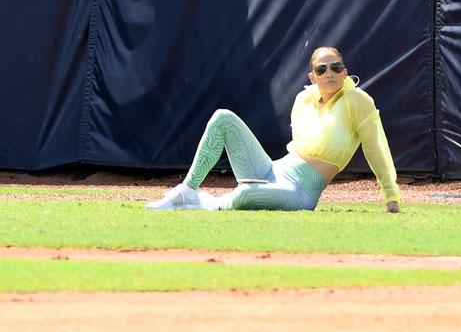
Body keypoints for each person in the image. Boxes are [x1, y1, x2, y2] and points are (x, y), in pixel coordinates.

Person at [146, 46, 401, 213]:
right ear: (312, 76)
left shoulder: (358, 100)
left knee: (246, 193)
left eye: (336, 67)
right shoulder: (303, 99)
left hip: (301, 191)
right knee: (223, 117)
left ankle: (204, 205)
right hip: (272, 168)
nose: (330, 73)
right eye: (322, 69)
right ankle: (188, 190)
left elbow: (376, 147)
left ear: (345, 72)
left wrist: (391, 196)